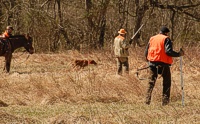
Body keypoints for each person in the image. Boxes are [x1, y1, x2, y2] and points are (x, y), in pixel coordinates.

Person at [144, 26, 184, 106]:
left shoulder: (152, 38)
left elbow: (146, 51)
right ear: (166, 33)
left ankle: (146, 101)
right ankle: (165, 102)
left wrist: (148, 60)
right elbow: (168, 52)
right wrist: (178, 54)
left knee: (151, 83)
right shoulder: (166, 39)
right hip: (163, 64)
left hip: (152, 63)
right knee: (166, 83)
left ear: (160, 31)